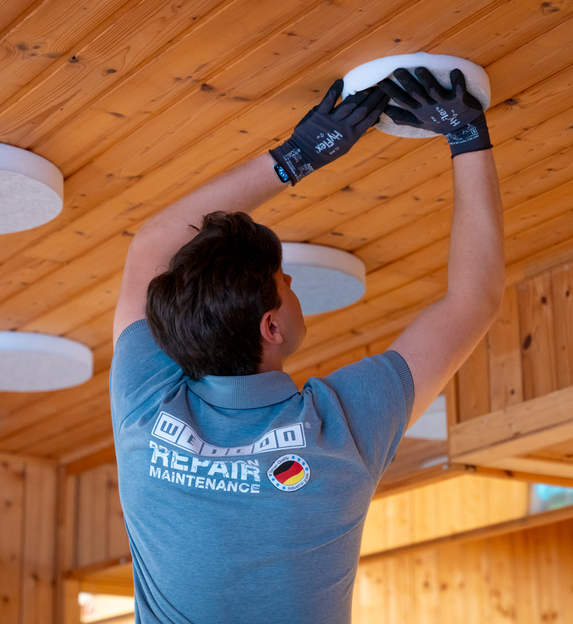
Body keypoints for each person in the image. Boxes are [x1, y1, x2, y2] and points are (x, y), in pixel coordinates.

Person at [110, 67, 504, 624]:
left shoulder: (152, 408)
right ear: (270, 327)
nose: (291, 281)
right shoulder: (146, 405)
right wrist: (296, 155)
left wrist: (467, 138)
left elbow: (475, 302)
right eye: (284, 281)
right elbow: (154, 245)